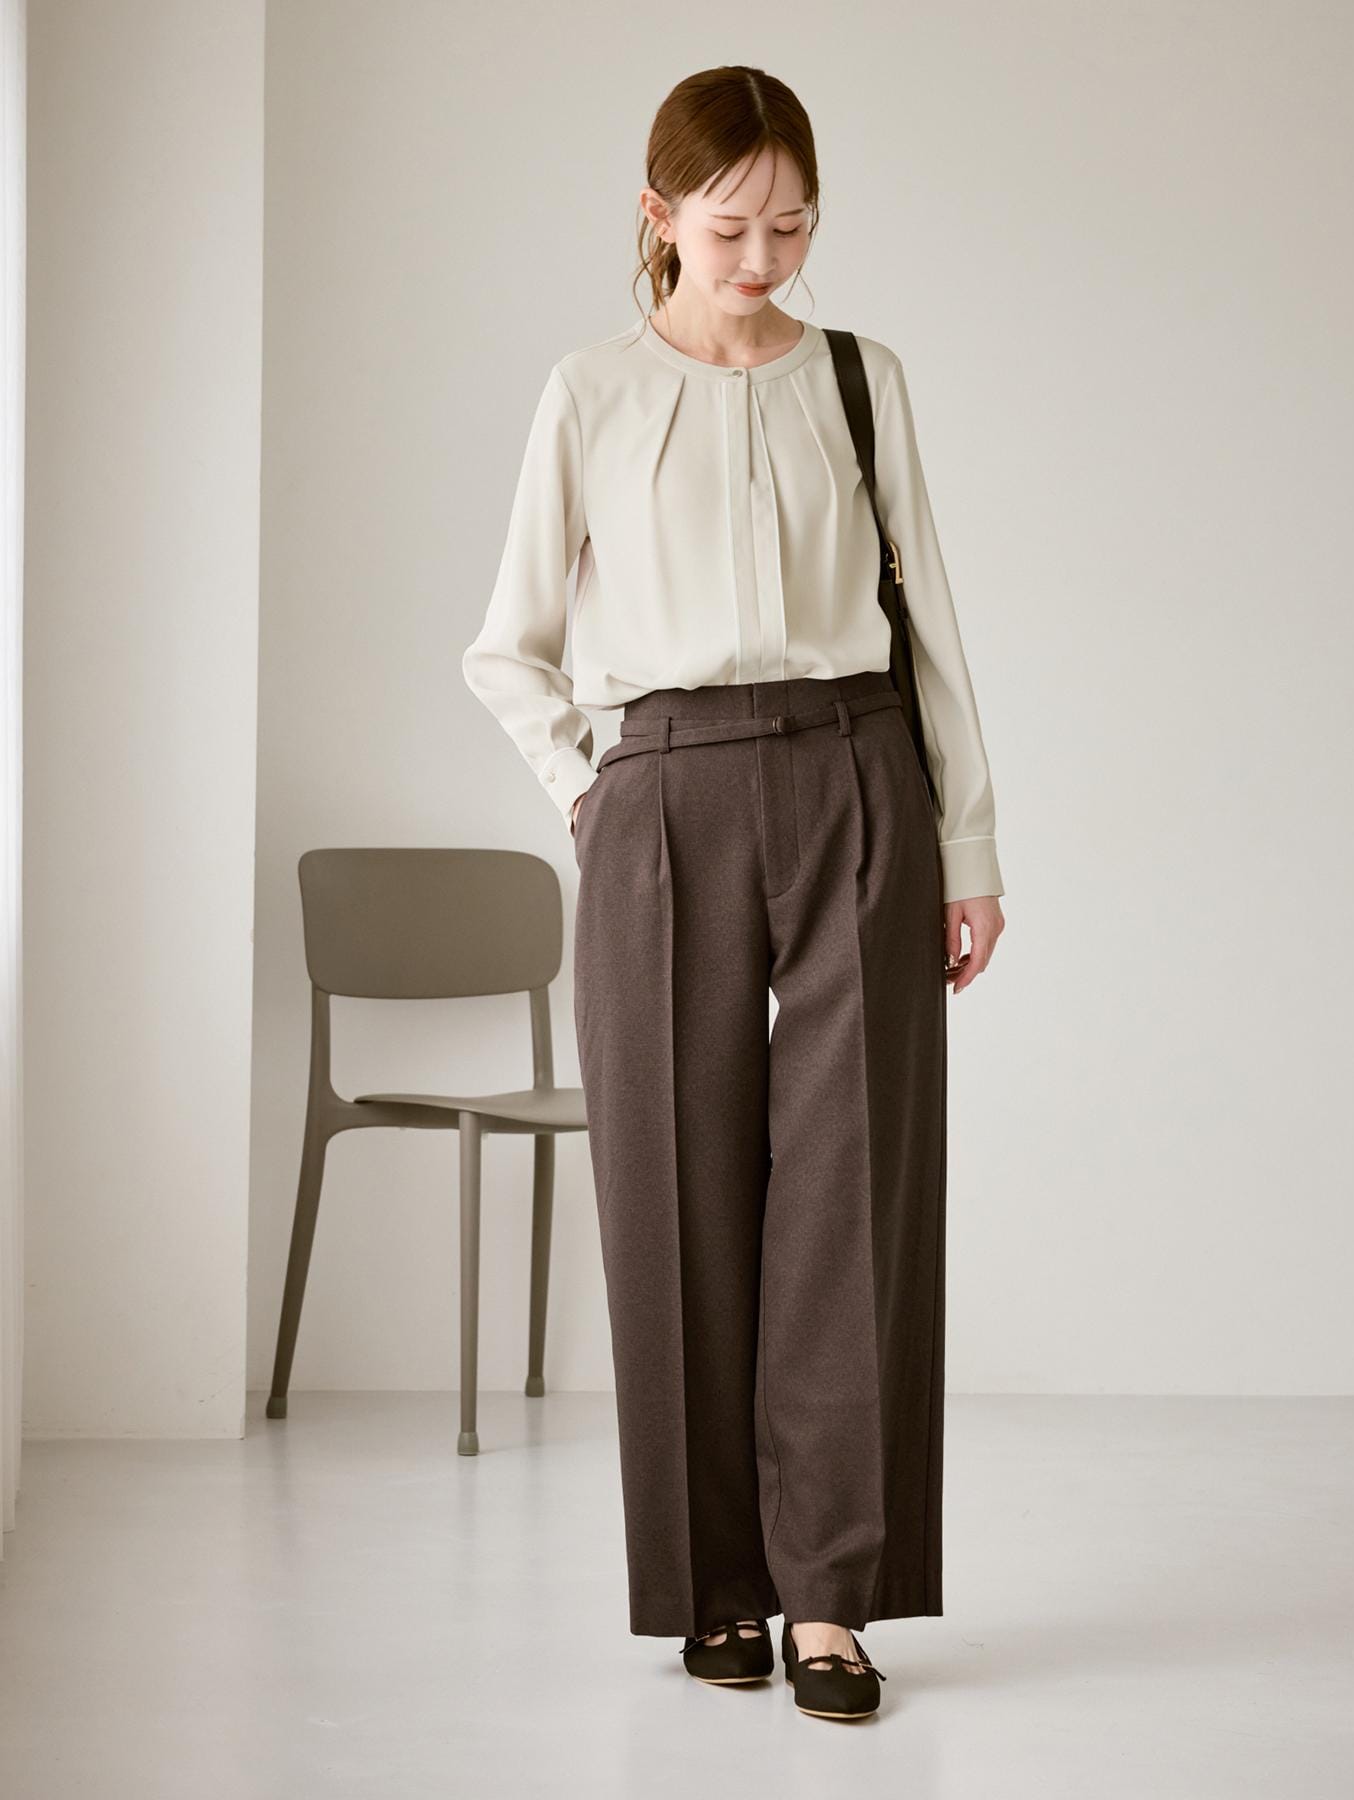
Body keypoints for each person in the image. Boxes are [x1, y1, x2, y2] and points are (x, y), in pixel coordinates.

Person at [461, 64, 1006, 1721]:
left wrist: (969, 848)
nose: (763, 259)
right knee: (677, 1189)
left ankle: (831, 1598)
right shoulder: (591, 393)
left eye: (793, 226)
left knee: (853, 1192)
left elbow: (929, 626)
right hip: (666, 793)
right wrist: (593, 793)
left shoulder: (859, 380)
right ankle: (714, 1587)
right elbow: (506, 648)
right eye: (729, 228)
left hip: (858, 773)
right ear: (659, 215)